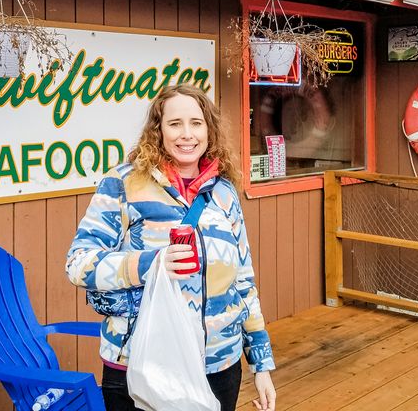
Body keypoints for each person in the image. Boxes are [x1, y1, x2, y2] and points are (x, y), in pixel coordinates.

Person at [66, 84, 277, 411]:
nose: (187, 134)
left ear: (209, 130)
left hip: (218, 364)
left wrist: (261, 364)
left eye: (196, 123)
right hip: (143, 363)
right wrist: (151, 264)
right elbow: (78, 263)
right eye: (175, 123)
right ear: (158, 130)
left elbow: (243, 281)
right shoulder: (124, 184)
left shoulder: (223, 193)